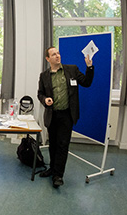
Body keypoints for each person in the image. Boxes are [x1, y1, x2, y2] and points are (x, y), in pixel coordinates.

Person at [37, 46, 94, 188]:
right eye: (53, 54)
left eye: (58, 53)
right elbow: (40, 93)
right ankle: (52, 169)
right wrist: (45, 100)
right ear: (48, 59)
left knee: (62, 145)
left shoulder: (72, 70)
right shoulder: (44, 75)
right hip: (52, 115)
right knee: (53, 145)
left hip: (66, 115)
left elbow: (87, 83)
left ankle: (58, 175)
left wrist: (89, 67)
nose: (57, 56)